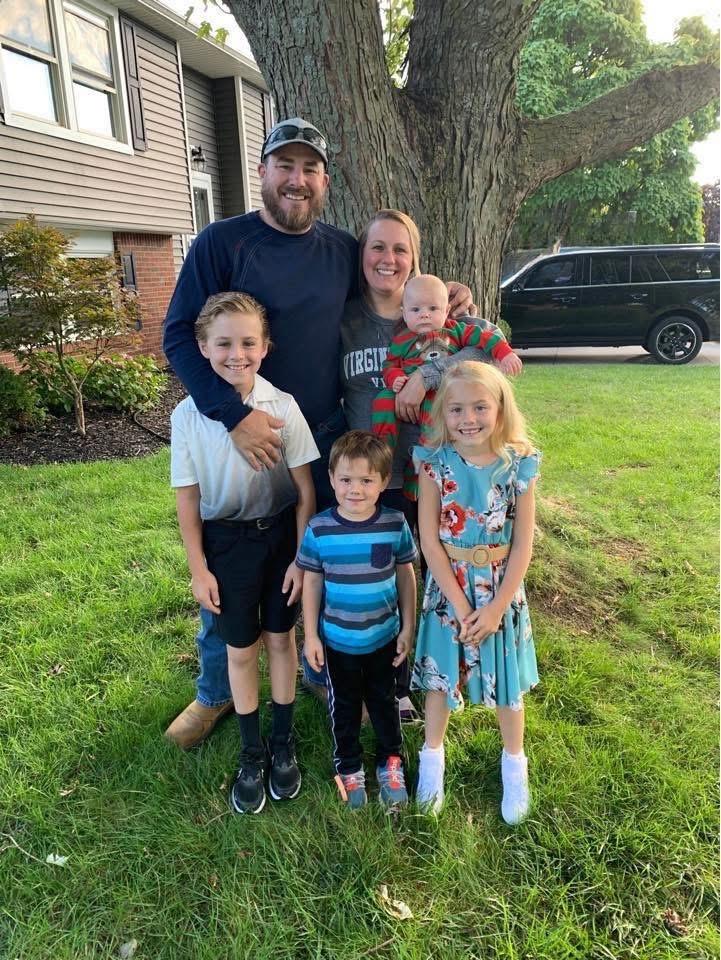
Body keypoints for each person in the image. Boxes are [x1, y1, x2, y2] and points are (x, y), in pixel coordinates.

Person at [163, 122, 473, 746]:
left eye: (309, 168)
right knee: (229, 553)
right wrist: (233, 415)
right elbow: (178, 335)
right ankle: (215, 690)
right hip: (242, 431)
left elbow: (392, 282)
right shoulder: (223, 243)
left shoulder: (340, 250)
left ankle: (319, 664)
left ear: (325, 181)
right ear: (262, 171)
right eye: (285, 165)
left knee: (326, 556)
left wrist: (447, 298)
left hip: (326, 434)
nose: (296, 180)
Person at [340, 209, 519, 719]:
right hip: (374, 477)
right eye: (377, 247)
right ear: (362, 255)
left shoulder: (442, 308)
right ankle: (378, 680)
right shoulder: (346, 318)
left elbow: (488, 352)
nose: (388, 259)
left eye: (400, 249)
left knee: (430, 573)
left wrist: (428, 375)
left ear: (414, 258)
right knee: (380, 579)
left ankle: (432, 675)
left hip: (437, 474)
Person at [170, 292, 318, 814]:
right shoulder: (188, 415)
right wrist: (199, 569)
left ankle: (282, 742)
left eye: (249, 342)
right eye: (224, 343)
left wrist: (301, 559)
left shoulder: (283, 406)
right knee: (240, 649)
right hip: (226, 545)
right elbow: (188, 500)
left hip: (279, 541)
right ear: (202, 348)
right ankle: (251, 751)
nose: (237, 354)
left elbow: (305, 492)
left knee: (280, 639)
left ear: (265, 346)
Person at [411, 361, 540, 824]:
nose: (469, 418)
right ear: (443, 414)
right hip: (449, 590)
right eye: (457, 409)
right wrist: (463, 606)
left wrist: (496, 607)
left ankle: (514, 765)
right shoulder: (434, 465)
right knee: (440, 678)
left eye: (480, 407)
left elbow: (523, 542)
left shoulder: (519, 463)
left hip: (501, 591)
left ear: (500, 407)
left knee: (507, 682)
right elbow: (429, 541)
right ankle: (432, 760)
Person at [297, 432, 417, 809]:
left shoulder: (394, 523)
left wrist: (408, 627)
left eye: (366, 480)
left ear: (383, 481)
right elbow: (312, 581)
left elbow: (406, 575)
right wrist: (311, 636)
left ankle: (390, 760)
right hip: (338, 642)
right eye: (346, 479)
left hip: (385, 637)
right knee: (345, 708)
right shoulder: (319, 528)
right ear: (331, 479)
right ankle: (349, 766)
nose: (355, 489)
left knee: (385, 701)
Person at [371, 273, 520, 497]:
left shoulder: (455, 330)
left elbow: (485, 338)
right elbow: (390, 365)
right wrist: (395, 378)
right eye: (416, 310)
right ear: (404, 313)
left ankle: (418, 477)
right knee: (382, 400)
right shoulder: (401, 340)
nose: (424, 315)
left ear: (446, 310)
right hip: (404, 390)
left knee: (432, 434)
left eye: (433, 309)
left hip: (441, 394)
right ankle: (383, 448)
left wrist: (505, 353)